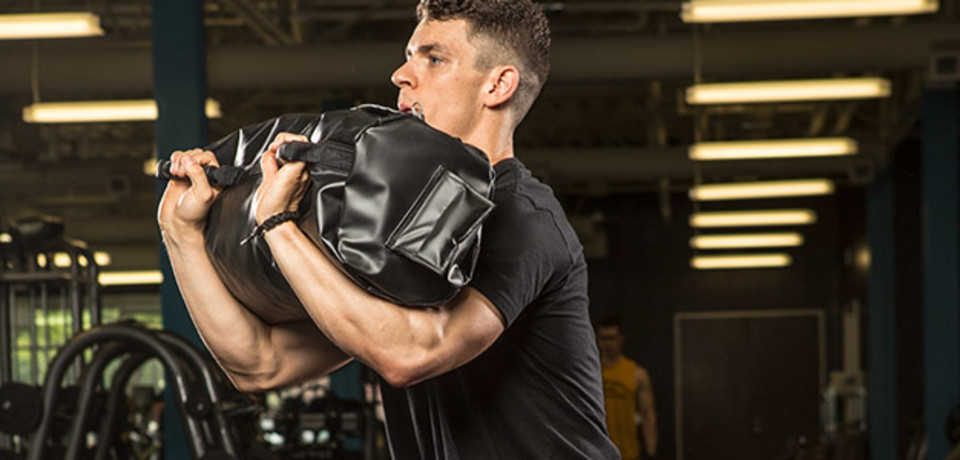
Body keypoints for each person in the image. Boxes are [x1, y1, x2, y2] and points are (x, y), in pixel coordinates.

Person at [157, 0, 619, 458]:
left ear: (498, 85)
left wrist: (278, 225)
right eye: (409, 56)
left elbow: (410, 354)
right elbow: (260, 365)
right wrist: (181, 233)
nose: (402, 74)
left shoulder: (521, 215)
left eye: (434, 58)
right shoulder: (395, 219)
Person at [596, 316, 658, 460]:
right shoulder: (591, 373)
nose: (607, 343)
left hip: (628, 454)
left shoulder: (637, 374)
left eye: (611, 338)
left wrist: (651, 448)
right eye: (603, 338)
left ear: (621, 339)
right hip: (598, 454)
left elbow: (648, 413)